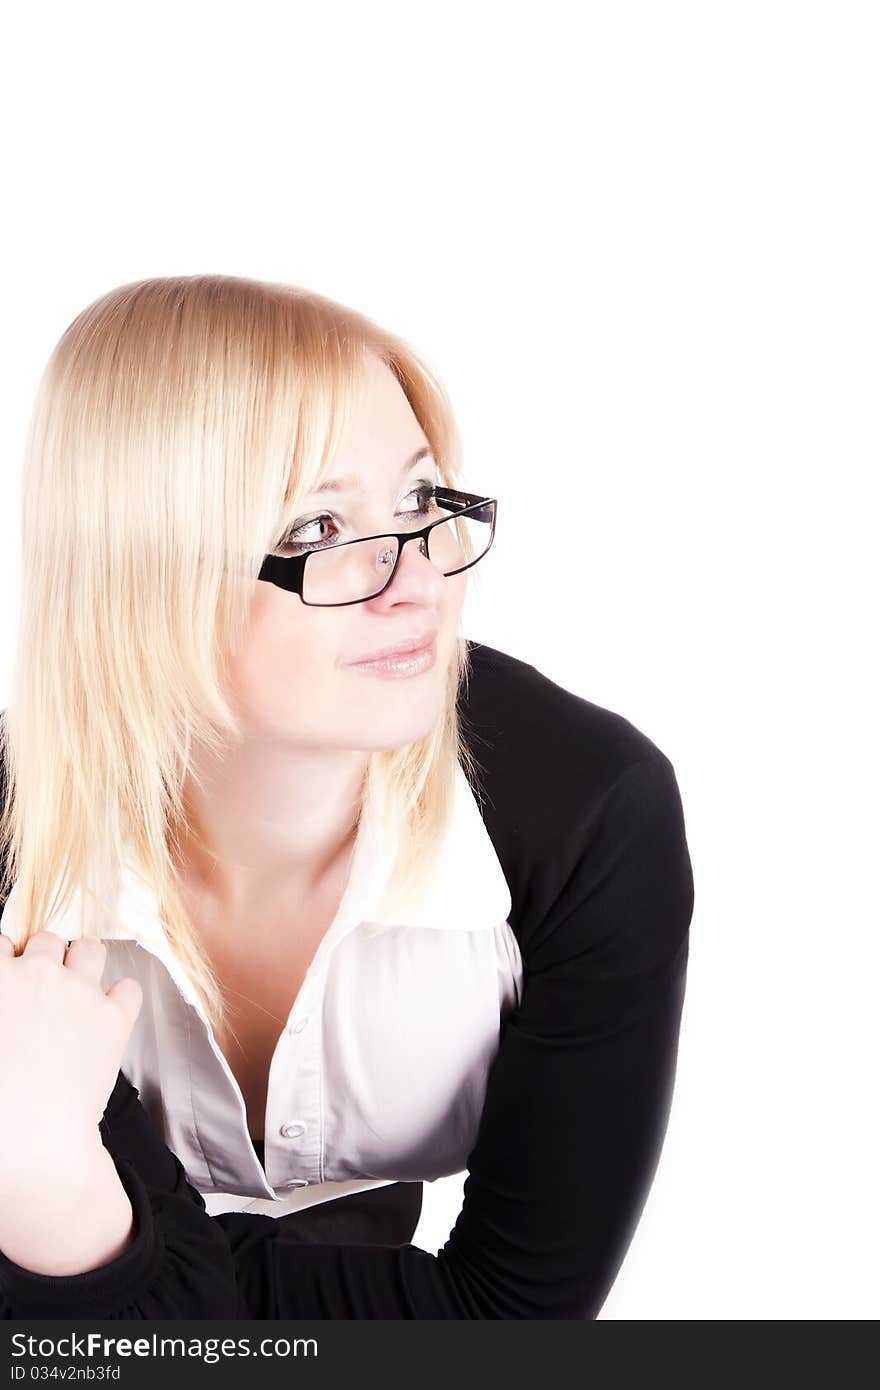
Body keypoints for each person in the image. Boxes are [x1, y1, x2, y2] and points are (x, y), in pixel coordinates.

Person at [0, 274, 694, 1319]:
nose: (418, 580)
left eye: (419, 502)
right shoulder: (22, 844)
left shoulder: (590, 813)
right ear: (144, 573)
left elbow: (517, 1321)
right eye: (320, 527)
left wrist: (53, 1194)